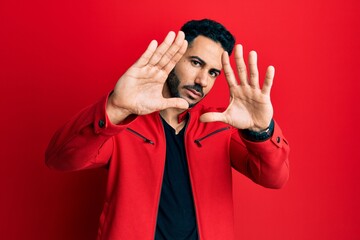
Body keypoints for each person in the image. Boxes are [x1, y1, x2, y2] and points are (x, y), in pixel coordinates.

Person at [46, 19, 290, 240]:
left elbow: (274, 178)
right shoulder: (125, 122)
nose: (202, 81)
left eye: (213, 72)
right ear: (175, 57)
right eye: (196, 63)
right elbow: (60, 159)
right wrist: (114, 108)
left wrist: (261, 131)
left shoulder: (219, 125)